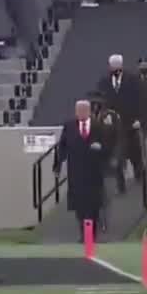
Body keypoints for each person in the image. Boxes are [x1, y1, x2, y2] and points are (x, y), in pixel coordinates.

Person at [54, 100, 110, 241]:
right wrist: (58, 165)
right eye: (78, 110)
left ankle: (92, 234)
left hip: (93, 172)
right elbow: (62, 146)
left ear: (89, 111)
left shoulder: (98, 126)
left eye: (83, 110)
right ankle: (84, 234)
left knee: (93, 205)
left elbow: (107, 145)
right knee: (80, 206)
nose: (80, 113)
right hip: (76, 172)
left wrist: (101, 148)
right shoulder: (69, 126)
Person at [95, 54, 143, 193]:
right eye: (112, 66)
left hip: (130, 122)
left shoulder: (133, 80)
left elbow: (139, 100)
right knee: (117, 154)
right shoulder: (104, 82)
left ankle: (139, 177)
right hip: (113, 125)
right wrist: (103, 117)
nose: (114, 68)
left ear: (121, 66)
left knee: (135, 152)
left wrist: (138, 119)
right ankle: (120, 185)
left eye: (117, 66)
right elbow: (100, 101)